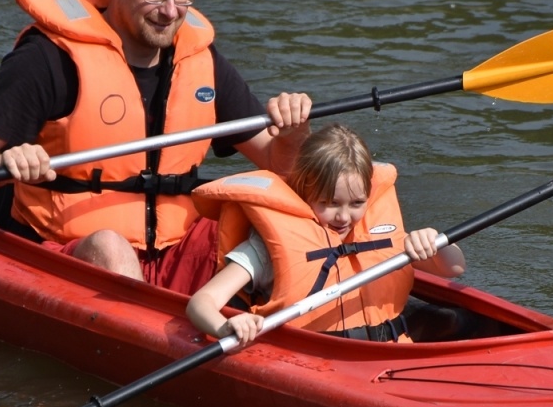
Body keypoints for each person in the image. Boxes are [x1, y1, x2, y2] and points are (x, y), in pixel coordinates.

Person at [0, 0, 312, 295]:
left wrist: (294, 132)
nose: (170, 12)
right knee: (111, 247)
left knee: (278, 225)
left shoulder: (200, 60)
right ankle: (152, 338)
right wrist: (7, 163)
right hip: (73, 251)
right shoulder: (48, 59)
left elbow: (278, 165)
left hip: (177, 249)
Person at [186, 124, 466, 346]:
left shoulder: (378, 231)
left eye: (357, 203)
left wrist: (434, 242)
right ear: (304, 192)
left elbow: (454, 267)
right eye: (330, 203)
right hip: (309, 360)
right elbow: (201, 303)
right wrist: (226, 327)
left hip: (388, 353)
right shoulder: (265, 249)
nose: (344, 217)